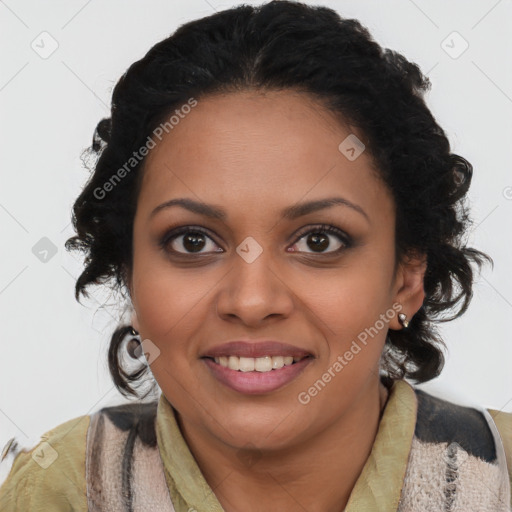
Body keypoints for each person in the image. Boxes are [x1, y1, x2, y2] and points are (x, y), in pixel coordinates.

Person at [1, 1, 511, 510]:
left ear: (406, 277)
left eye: (318, 241)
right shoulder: (54, 492)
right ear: (128, 272)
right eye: (193, 241)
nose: (251, 301)